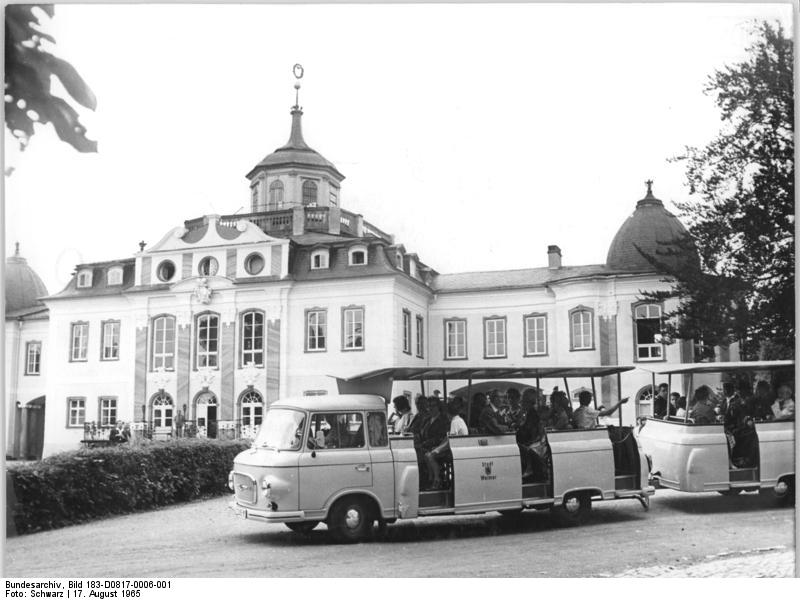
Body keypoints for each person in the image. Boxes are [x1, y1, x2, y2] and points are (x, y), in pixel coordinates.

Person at [425, 402, 468, 489]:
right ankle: (432, 478)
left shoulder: (455, 422)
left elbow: (450, 442)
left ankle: (437, 480)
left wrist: (437, 450)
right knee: (427, 454)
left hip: (455, 451)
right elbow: (447, 438)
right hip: (456, 449)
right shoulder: (459, 420)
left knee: (430, 456)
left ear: (448, 414)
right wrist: (437, 448)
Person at [419, 397, 449, 488]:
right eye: (428, 406)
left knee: (425, 455)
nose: (430, 408)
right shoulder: (426, 420)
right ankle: (426, 478)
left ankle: (434, 479)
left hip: (438, 447)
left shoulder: (443, 420)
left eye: (433, 406)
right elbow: (421, 433)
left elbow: (442, 437)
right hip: (425, 446)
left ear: (438, 406)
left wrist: (427, 443)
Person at [724, 390, 757, 468]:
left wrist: (748, 420)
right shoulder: (735, 404)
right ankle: (740, 460)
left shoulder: (751, 403)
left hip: (748, 429)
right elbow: (730, 418)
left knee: (749, 436)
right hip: (740, 428)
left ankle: (746, 461)